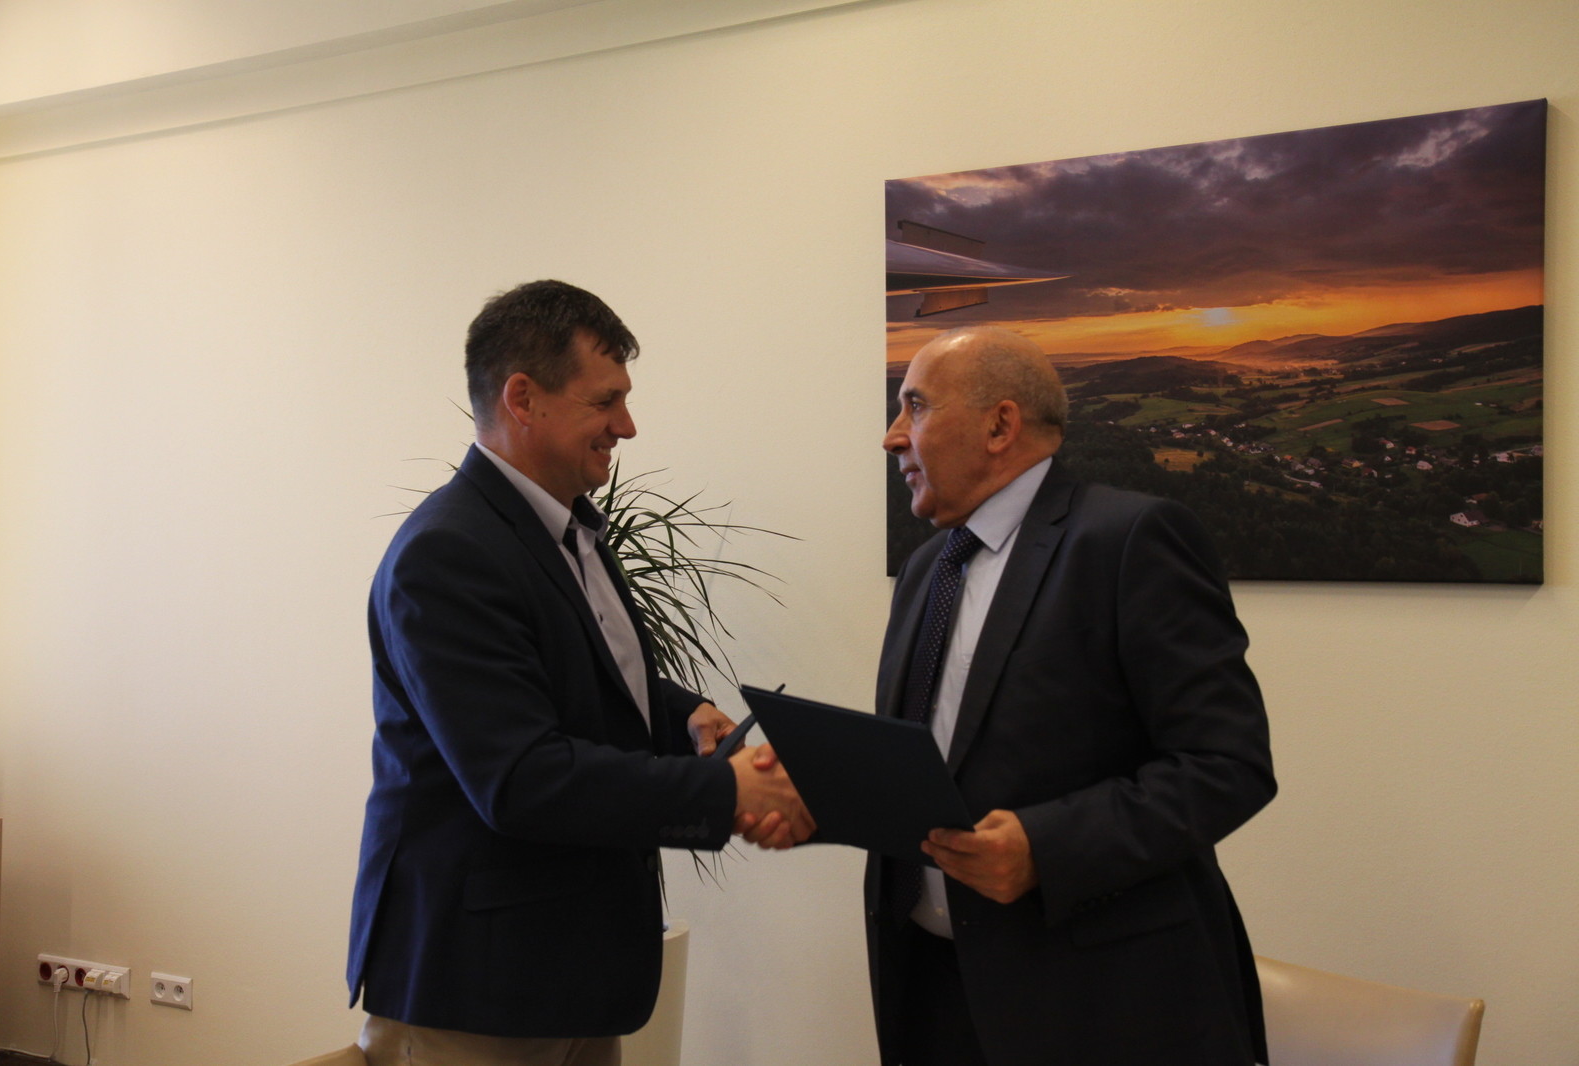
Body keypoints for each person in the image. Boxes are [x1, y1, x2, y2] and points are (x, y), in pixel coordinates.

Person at [346, 279, 811, 1066]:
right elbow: (521, 777)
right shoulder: (448, 552)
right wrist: (729, 792)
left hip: (573, 974)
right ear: (522, 399)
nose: (627, 426)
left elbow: (578, 677)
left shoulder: (569, 531)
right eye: (606, 402)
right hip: (479, 990)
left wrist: (682, 716)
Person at [867, 326, 1276, 1066]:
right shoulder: (928, 567)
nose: (893, 436)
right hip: (934, 997)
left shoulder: (1130, 539)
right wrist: (832, 787)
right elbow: (936, 758)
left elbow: (1228, 764)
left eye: (915, 407)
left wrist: (1046, 849)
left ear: (1000, 425)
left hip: (1101, 1006)